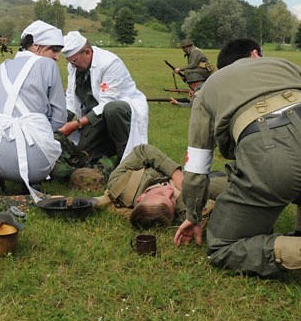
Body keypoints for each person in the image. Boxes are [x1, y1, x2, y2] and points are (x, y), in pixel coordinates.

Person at [173, 38, 301, 277]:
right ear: (256, 54)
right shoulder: (284, 64)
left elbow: (198, 163)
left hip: (271, 152)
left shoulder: (211, 86)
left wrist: (193, 213)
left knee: (222, 246)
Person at [0, 20, 67, 200]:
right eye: (54, 50)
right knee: (41, 136)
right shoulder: (48, 66)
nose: (57, 57)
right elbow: (60, 118)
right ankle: (32, 178)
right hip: (37, 166)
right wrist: (39, 127)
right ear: (36, 46)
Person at [58, 31, 148, 166]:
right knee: (82, 156)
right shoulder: (74, 67)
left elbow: (107, 102)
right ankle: (109, 147)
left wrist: (76, 125)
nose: (72, 66)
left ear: (87, 52)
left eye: (74, 61)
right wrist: (62, 121)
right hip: (95, 116)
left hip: (121, 113)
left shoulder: (110, 63)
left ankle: (126, 160)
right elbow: (71, 97)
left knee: (112, 109)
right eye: (70, 62)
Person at [92, 143, 227, 228]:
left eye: (161, 194)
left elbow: (143, 151)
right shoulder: (182, 209)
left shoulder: (119, 183)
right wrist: (180, 195)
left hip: (191, 174)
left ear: (141, 198)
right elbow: (206, 211)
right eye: (171, 200)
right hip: (211, 182)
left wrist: (175, 175)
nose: (169, 191)